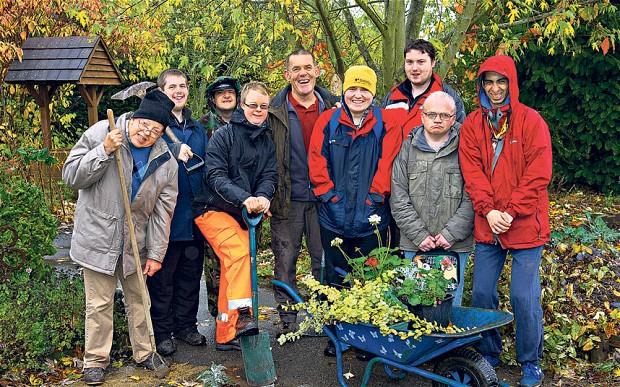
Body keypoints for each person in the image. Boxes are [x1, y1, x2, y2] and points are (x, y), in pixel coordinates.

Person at [62, 89, 178, 385]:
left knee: (140, 299)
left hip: (135, 242)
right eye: (144, 125)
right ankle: (96, 360)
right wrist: (103, 150)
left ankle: (145, 352)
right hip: (98, 236)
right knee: (99, 304)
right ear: (136, 117)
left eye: (155, 131)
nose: (146, 133)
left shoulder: (166, 161)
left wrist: (156, 254)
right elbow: (71, 177)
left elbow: (163, 213)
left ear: (162, 133)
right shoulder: (103, 131)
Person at [459, 55, 552, 387]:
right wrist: (488, 210)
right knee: (482, 293)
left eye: (501, 82)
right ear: (482, 86)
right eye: (489, 82)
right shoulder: (473, 124)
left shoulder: (531, 121)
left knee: (523, 297)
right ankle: (489, 354)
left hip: (525, 224)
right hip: (489, 223)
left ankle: (530, 361)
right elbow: (473, 173)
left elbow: (538, 174)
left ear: (511, 84)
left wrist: (510, 211)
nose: (495, 88)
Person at [308, 65, 403, 358]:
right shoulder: (328, 121)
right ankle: (339, 334)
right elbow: (316, 160)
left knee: (370, 279)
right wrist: (328, 197)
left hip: (370, 217)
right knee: (335, 277)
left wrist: (375, 197)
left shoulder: (385, 123)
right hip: (332, 216)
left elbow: (388, 162)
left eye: (364, 89)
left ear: (373, 93)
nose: (358, 95)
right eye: (353, 89)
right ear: (344, 91)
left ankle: (368, 337)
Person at [193, 81, 277, 351]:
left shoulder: (266, 140)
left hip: (240, 212)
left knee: (235, 263)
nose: (258, 110)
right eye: (253, 105)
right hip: (212, 208)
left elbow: (269, 175)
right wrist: (244, 198)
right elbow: (214, 175)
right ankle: (242, 315)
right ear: (243, 105)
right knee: (240, 252)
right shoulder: (223, 136)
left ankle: (225, 332)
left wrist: (264, 196)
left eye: (263, 107)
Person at [268, 49, 338, 334]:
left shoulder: (334, 108)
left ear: (317, 71)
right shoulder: (275, 111)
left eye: (308, 67)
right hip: (288, 199)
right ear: (287, 75)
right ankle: (288, 321)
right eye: (296, 69)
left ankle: (328, 320)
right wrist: (267, 194)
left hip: (325, 200)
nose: (303, 74)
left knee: (325, 262)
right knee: (285, 260)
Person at [146, 69, 209, 356]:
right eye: (172, 87)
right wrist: (172, 148)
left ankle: (186, 326)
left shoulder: (198, 130)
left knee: (189, 277)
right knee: (163, 280)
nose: (179, 91)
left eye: (183, 86)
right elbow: (146, 155)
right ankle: (162, 331)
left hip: (194, 216)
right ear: (162, 91)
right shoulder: (155, 124)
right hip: (165, 220)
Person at [389, 91, 474, 306]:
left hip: (454, 246)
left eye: (444, 115)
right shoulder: (407, 148)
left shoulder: (466, 147)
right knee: (417, 303)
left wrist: (450, 233)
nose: (438, 119)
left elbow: (473, 194)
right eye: (432, 114)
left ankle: (451, 340)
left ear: (454, 118)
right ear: (422, 115)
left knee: (450, 305)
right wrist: (419, 235)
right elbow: (398, 195)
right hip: (415, 244)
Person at [200, 75, 241, 321]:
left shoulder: (246, 122)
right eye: (220, 93)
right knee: (214, 263)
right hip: (213, 202)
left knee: (240, 262)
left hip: (241, 202)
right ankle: (219, 315)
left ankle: (241, 314)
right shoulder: (203, 125)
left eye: (230, 93)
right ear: (213, 99)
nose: (226, 96)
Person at [383, 39, 466, 136]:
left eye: (421, 62)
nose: (414, 68)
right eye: (409, 62)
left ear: (433, 62)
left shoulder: (448, 97)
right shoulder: (392, 97)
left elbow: (461, 137)